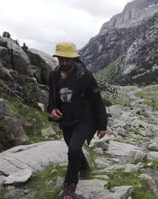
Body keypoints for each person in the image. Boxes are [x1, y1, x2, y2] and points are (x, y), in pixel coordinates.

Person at [47, 42, 108, 199]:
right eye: (62, 59)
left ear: (74, 58)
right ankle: (85, 168)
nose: (65, 63)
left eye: (68, 59)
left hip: (85, 119)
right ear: (58, 58)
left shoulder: (85, 76)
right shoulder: (54, 75)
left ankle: (69, 186)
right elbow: (52, 100)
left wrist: (102, 125)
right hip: (66, 119)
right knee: (74, 148)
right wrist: (52, 110)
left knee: (73, 149)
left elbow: (97, 100)